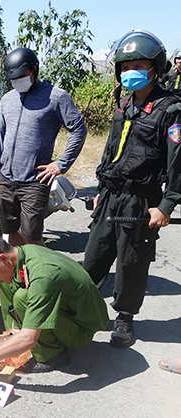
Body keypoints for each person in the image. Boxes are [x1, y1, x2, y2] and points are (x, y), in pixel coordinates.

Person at [82, 30, 181, 348]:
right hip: (110, 194)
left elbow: (178, 162)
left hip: (141, 200)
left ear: (156, 67)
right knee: (94, 256)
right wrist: (99, 187)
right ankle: (81, 307)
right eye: (124, 67)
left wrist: (165, 205)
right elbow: (111, 148)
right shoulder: (122, 103)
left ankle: (124, 317)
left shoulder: (170, 109)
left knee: (131, 261)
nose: (130, 72)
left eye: (138, 65)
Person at [0, 235, 108, 375]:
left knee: (22, 298)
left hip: (81, 330)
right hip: (67, 312)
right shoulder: (22, 253)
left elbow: (29, 338)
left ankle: (52, 354)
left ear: (3, 258)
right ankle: (14, 335)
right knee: (5, 281)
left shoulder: (43, 275)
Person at [0, 47, 87, 246]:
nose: (17, 82)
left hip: (34, 180)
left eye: (22, 76)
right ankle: (19, 271)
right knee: (9, 231)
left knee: (32, 236)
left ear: (35, 70)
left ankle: (38, 272)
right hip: (6, 179)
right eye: (13, 79)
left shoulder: (56, 97)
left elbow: (79, 130)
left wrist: (60, 164)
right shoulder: (7, 100)